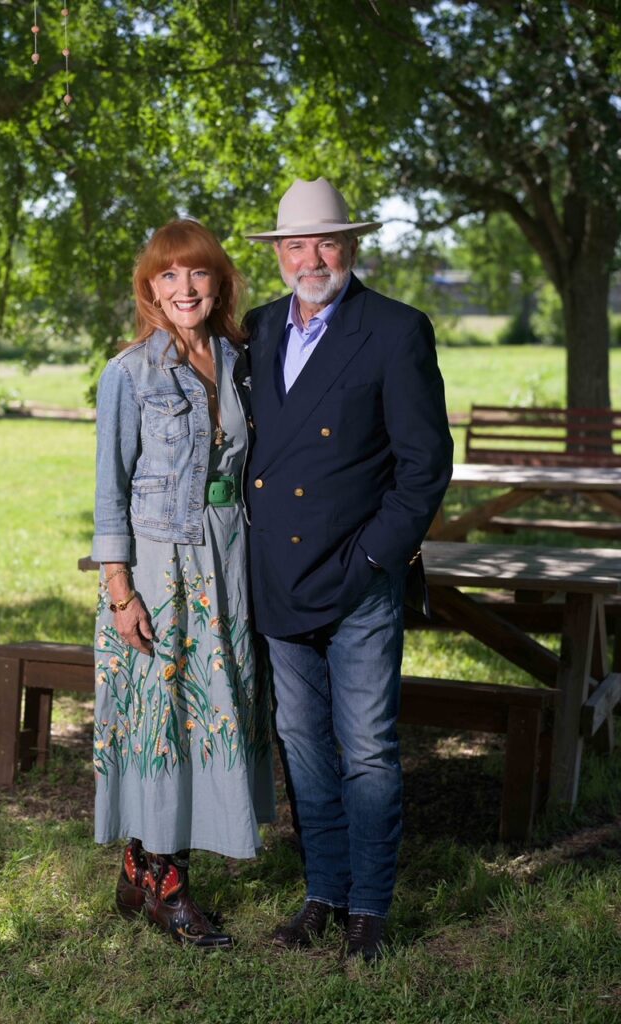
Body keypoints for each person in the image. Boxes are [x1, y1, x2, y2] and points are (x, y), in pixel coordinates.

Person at [244, 178, 454, 960]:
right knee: (302, 746)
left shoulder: (396, 329)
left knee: (366, 749)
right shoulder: (259, 328)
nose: (311, 259)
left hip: (359, 577)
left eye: (326, 243)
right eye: (296, 245)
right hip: (278, 576)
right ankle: (323, 892)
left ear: (352, 246)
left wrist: (374, 557)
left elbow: (425, 465)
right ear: (278, 254)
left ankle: (369, 908)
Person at [91, 219, 275, 950]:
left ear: (220, 283)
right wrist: (120, 590)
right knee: (162, 717)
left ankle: (139, 866)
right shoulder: (129, 372)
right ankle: (167, 886)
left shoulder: (242, 362)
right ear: (150, 289)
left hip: (228, 560)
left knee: (212, 710)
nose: (184, 287)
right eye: (168, 275)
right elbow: (109, 491)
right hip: (159, 567)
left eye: (197, 273)